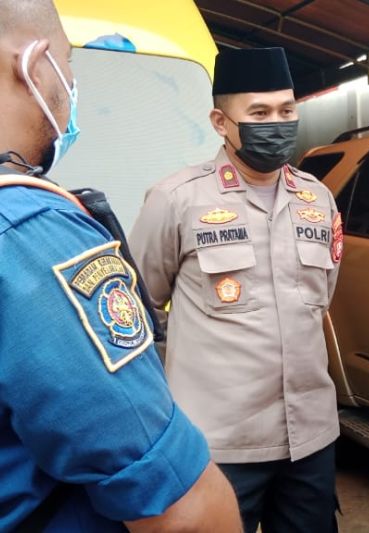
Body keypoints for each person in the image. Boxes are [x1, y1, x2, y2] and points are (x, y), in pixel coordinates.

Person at [0, 1, 241, 530]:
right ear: (35, 66)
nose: (70, 88)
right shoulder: (32, 232)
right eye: (69, 65)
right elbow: (174, 505)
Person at [129, 47, 342, 533]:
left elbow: (321, 295)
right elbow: (139, 307)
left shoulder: (318, 197)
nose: (278, 123)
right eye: (260, 113)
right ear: (221, 122)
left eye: (287, 111)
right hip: (218, 441)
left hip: (310, 436)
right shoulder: (178, 199)